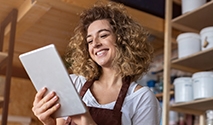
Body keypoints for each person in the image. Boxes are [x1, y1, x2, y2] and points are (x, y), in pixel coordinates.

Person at [31, 1, 161, 125]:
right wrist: (48, 122)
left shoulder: (141, 98)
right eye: (90, 41)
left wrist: (88, 122)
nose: (96, 44)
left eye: (103, 35)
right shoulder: (74, 84)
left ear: (123, 39)